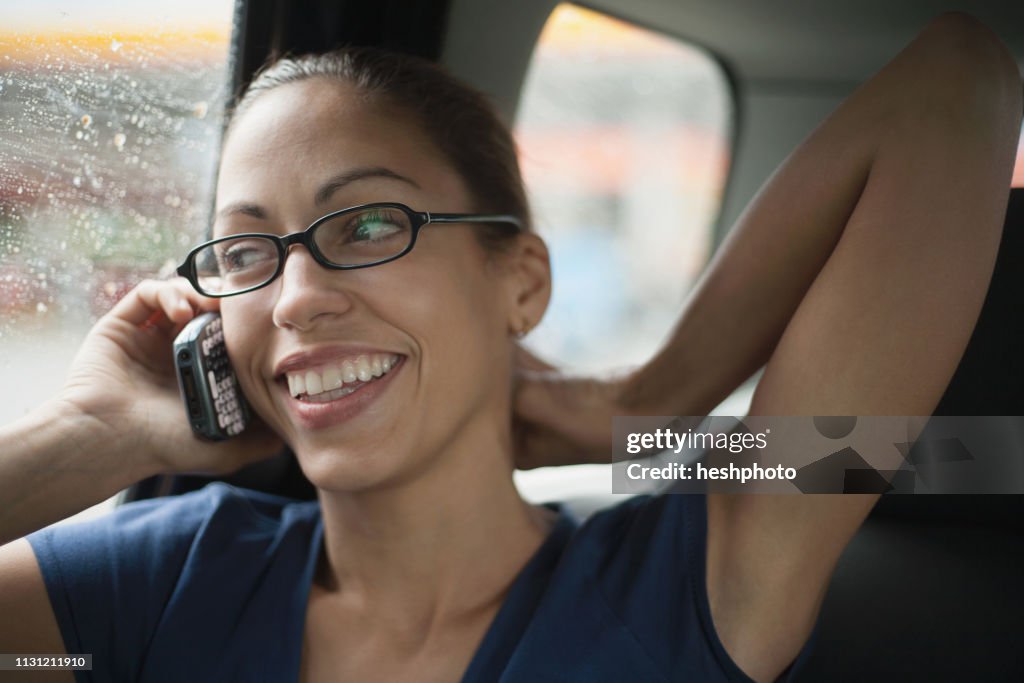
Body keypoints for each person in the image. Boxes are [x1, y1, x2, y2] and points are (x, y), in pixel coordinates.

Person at [0, 12, 1020, 683]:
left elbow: (958, 82)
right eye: (250, 248)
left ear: (519, 280)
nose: (298, 296)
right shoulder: (163, 582)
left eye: (366, 226)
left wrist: (648, 404)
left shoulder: (683, 584)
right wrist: (91, 435)